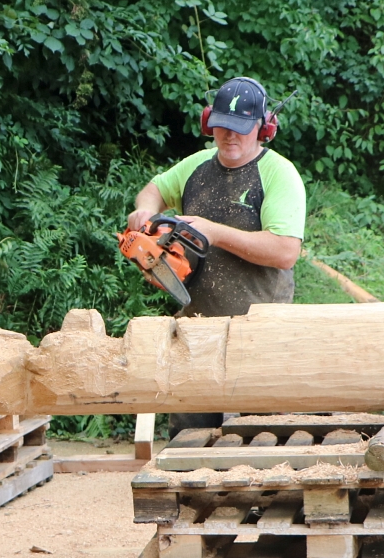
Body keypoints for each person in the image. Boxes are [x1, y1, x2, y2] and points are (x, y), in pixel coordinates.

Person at [127, 76, 306, 433]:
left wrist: (215, 233)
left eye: (241, 127)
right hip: (198, 328)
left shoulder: (278, 173)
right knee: (188, 439)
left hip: (260, 331)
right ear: (209, 122)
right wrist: (145, 212)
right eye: (222, 125)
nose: (229, 135)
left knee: (262, 440)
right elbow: (154, 190)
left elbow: (286, 251)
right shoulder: (196, 166)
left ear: (264, 127)